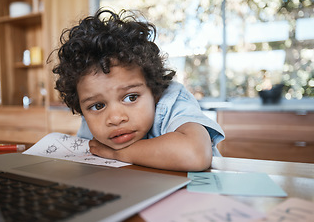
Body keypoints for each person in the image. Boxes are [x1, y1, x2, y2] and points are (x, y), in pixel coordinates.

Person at [52, 9, 225, 171]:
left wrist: (116, 153)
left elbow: (194, 154)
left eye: (131, 97)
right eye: (98, 106)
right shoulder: (92, 117)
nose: (115, 118)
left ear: (154, 91)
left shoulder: (172, 101)